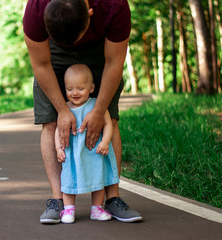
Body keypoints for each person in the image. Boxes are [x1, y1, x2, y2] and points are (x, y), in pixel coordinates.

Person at [23, 0, 142, 223]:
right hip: (53, 54)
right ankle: (58, 201)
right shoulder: (36, 8)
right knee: (50, 123)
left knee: (109, 121)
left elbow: (114, 62)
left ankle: (112, 198)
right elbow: (40, 64)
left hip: (100, 51)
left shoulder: (113, 5)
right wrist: (61, 110)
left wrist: (98, 111)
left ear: (90, 13)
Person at [56, 64, 119, 224]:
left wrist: (105, 142)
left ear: (91, 88)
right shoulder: (65, 108)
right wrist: (58, 148)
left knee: (98, 179)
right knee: (69, 180)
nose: (74, 93)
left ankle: (96, 209)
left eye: (80, 88)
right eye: (69, 89)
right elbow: (58, 130)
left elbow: (107, 124)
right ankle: (68, 209)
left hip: (93, 152)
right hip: (72, 153)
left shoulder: (97, 105)